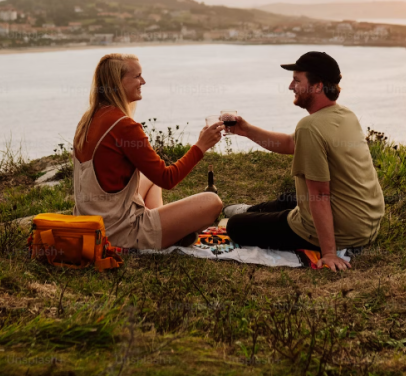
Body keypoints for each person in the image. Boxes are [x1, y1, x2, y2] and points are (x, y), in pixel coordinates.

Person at [223, 51, 385, 272]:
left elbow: (319, 194)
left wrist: (328, 253)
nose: (291, 86)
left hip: (345, 231)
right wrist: (246, 130)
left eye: (297, 80)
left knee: (236, 227)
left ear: (317, 86)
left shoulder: (310, 126)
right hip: (365, 222)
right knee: (288, 199)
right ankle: (251, 210)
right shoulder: (345, 115)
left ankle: (247, 216)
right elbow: (292, 143)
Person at [72, 53, 225, 249]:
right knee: (212, 202)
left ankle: (166, 232)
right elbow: (167, 178)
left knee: (150, 178)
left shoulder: (88, 119)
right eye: (137, 76)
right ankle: (160, 236)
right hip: (118, 234)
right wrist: (201, 146)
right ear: (118, 83)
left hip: (90, 226)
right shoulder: (124, 126)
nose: (143, 81)